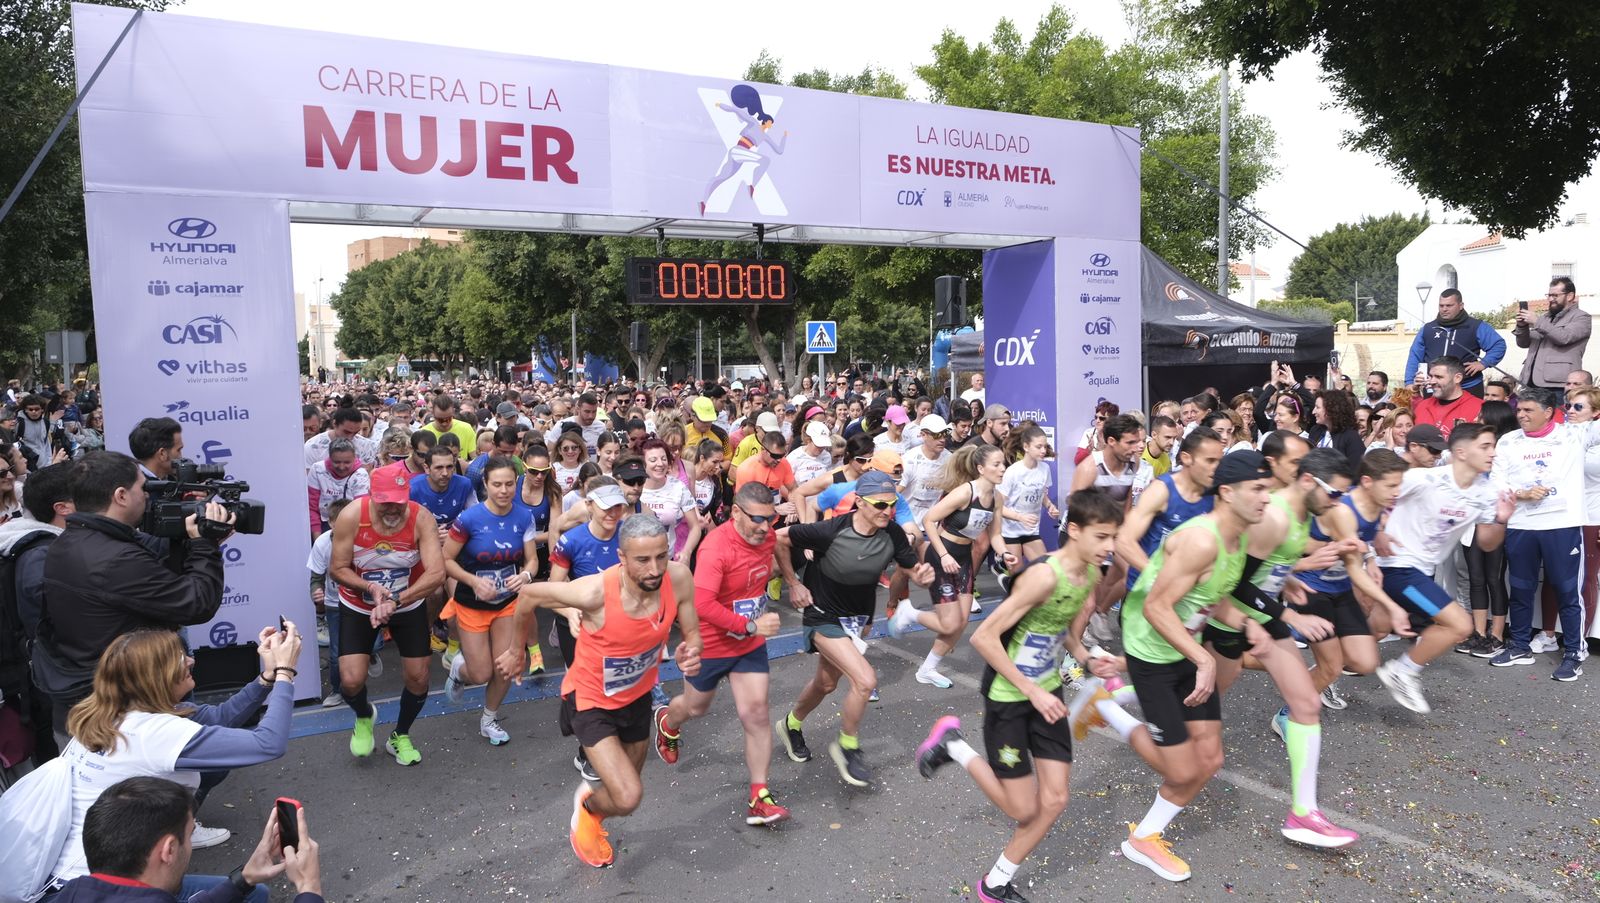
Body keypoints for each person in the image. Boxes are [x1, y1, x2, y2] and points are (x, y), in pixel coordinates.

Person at [913, 489, 1122, 903]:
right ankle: (954, 746)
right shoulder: (1044, 575)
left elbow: (1065, 630)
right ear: (1075, 531)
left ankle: (995, 882)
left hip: (1047, 695)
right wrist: (1030, 689)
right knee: (1024, 809)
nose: (1110, 547)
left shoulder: (1092, 575)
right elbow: (985, 638)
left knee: (1057, 798)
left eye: (1114, 536)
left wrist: (1087, 656)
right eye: (1102, 537)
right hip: (1010, 696)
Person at [1085, 451, 1276, 882]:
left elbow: (1213, 594)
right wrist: (1204, 657)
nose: (1268, 498)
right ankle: (1105, 707)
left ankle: (1144, 838)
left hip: (1183, 647)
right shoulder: (1201, 539)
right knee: (1182, 769)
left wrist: (1249, 624)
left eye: (1270, 488)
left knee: (1209, 758)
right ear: (1227, 492)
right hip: (1152, 651)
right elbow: (1156, 607)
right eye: (1259, 489)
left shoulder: (1238, 536)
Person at [494, 515, 702, 869]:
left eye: (661, 556)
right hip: (591, 699)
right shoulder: (594, 592)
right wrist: (516, 651)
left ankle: (598, 800)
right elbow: (528, 595)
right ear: (621, 557)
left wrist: (691, 649)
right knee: (628, 796)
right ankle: (587, 809)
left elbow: (691, 629)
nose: (655, 569)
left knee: (628, 784)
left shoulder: (678, 578)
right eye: (642, 560)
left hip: (637, 697)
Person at [50, 625, 301, 886]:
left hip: (84, 871)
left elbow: (220, 718)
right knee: (248, 894)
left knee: (253, 892)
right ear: (157, 676)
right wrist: (286, 673)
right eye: (181, 658)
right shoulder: (155, 734)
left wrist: (267, 677)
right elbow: (269, 743)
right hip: (105, 887)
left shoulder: (114, 712)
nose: (191, 660)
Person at [33, 452, 232, 743]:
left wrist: (190, 536)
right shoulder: (113, 559)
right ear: (121, 496)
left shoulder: (71, 541)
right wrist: (205, 546)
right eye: (144, 488)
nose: (149, 495)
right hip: (123, 715)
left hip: (94, 698)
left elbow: (151, 557)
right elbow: (197, 603)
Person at [774, 470, 935, 786]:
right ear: (859, 502)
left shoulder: (893, 534)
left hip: (857, 619)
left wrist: (920, 576)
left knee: (825, 684)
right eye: (879, 505)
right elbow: (780, 538)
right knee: (865, 680)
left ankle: (790, 724)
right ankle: (848, 746)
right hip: (821, 614)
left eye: (891, 505)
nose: (887, 512)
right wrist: (793, 583)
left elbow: (907, 565)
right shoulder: (831, 530)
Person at [649, 484, 791, 826]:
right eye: (757, 519)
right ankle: (668, 722)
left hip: (747, 643)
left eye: (770, 518)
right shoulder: (716, 548)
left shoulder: (767, 536)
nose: (764, 526)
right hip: (711, 643)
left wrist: (792, 581)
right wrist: (750, 626)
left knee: (756, 713)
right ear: (737, 513)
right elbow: (702, 604)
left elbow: (778, 549)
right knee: (695, 708)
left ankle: (759, 796)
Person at [1373, 424, 1513, 712]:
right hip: (1398, 567)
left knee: (1372, 631)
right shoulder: (1424, 478)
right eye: (1485, 446)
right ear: (1461, 452)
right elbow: (1374, 496)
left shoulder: (1487, 492)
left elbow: (1487, 543)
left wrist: (1502, 519)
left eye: (1493, 446)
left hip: (1422, 571)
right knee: (1459, 624)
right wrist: (1377, 533)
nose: (1493, 453)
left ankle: (1324, 672)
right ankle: (1403, 671)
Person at [327, 463, 445, 765]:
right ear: (372, 496)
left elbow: (436, 574)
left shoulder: (421, 518)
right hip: (358, 604)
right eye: (384, 502)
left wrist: (396, 599)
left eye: (398, 501)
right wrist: (369, 587)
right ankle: (364, 715)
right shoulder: (352, 515)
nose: (392, 508)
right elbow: (337, 568)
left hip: (407, 603)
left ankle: (400, 735)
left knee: (419, 678)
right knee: (350, 681)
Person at [49, 776, 322, 903]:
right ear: (168, 850)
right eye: (189, 835)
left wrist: (244, 879)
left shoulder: (70, 894)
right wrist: (309, 886)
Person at [1487, 387, 1600, 681]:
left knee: (1566, 590)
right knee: (1521, 588)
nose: (1521, 415)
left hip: (1562, 525)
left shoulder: (1574, 434)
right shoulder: (1508, 441)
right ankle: (1520, 646)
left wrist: (1579, 406)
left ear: (1549, 412)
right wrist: (1520, 494)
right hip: (1522, 525)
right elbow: (1496, 483)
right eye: (1519, 410)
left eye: (1528, 411)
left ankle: (1574, 652)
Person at [888, 443, 1012, 688]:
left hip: (963, 556)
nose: (1002, 469)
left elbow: (995, 535)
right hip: (942, 554)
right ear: (981, 468)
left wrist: (1005, 554)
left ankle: (927, 669)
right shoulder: (965, 493)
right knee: (949, 623)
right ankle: (909, 612)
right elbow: (929, 519)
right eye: (996, 464)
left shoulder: (997, 498)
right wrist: (944, 555)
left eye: (1003, 464)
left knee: (962, 621)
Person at [1299, 450, 1410, 710]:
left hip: (1340, 587)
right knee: (1332, 665)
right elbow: (1353, 566)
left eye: (1399, 485)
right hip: (1312, 587)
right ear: (1369, 482)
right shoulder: (1342, 510)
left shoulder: (1378, 503)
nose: (1397, 491)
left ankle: (1319, 673)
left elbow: (1363, 541)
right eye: (1391, 485)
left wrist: (1371, 558)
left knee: (1365, 663)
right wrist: (1393, 606)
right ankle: (1290, 713)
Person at [440, 457, 537, 744]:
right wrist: (473, 581)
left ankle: (489, 719)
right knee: (481, 673)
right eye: (497, 484)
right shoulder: (469, 519)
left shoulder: (523, 517)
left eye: (509, 484)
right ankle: (459, 669)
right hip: (472, 603)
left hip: (507, 603)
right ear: (485, 484)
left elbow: (531, 560)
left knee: (505, 666)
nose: (504, 490)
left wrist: (526, 577)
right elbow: (446, 560)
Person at [1405, 288, 1506, 397]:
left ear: (1461, 305)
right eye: (1441, 305)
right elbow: (1415, 355)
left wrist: (1483, 363)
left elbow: (1498, 345)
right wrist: (1409, 382)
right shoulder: (1428, 328)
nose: (1444, 309)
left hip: (1468, 387)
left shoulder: (1475, 326)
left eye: (1449, 305)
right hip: (1434, 387)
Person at [999, 426, 1060, 571]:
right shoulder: (1013, 472)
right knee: (1017, 576)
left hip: (1031, 531)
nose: (1043, 451)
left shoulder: (1045, 469)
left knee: (1045, 570)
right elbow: (997, 507)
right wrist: (1019, 517)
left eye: (1045, 446)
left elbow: (1041, 495)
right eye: (1038, 447)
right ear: (1026, 447)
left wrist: (1050, 506)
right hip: (1010, 531)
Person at [1515, 278, 1589, 391]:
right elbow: (1523, 343)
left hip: (1557, 385)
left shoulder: (1581, 317)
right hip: (1530, 382)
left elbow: (1564, 337)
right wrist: (1522, 326)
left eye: (1555, 295)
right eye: (1549, 295)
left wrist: (1537, 322)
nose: (1550, 299)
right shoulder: (1545, 318)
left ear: (1569, 296)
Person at [638, 439, 703, 562]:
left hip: (669, 558)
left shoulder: (678, 487)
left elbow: (695, 527)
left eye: (663, 459)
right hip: (640, 559)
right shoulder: (635, 488)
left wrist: (686, 552)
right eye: (653, 460)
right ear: (643, 463)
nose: (660, 464)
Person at [306, 438, 370, 539]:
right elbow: (312, 508)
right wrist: (318, 540)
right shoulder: (317, 470)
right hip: (323, 524)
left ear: (354, 458)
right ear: (329, 458)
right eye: (337, 462)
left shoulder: (361, 475)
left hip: (352, 524)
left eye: (347, 462)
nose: (341, 467)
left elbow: (361, 510)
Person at [1411, 357, 1483, 438]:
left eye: (1439, 377)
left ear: (1457, 378)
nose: (1432, 381)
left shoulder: (1479, 408)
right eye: (1431, 376)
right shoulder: (1422, 406)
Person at [303, 408, 377, 470]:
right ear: (334, 424)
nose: (350, 437)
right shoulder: (313, 446)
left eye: (355, 433)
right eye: (346, 432)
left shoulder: (365, 445)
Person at [420, 395, 480, 461]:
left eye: (448, 418)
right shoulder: (423, 434)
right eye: (440, 419)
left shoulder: (466, 428)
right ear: (433, 414)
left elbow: (475, 459)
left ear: (453, 412)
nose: (444, 423)